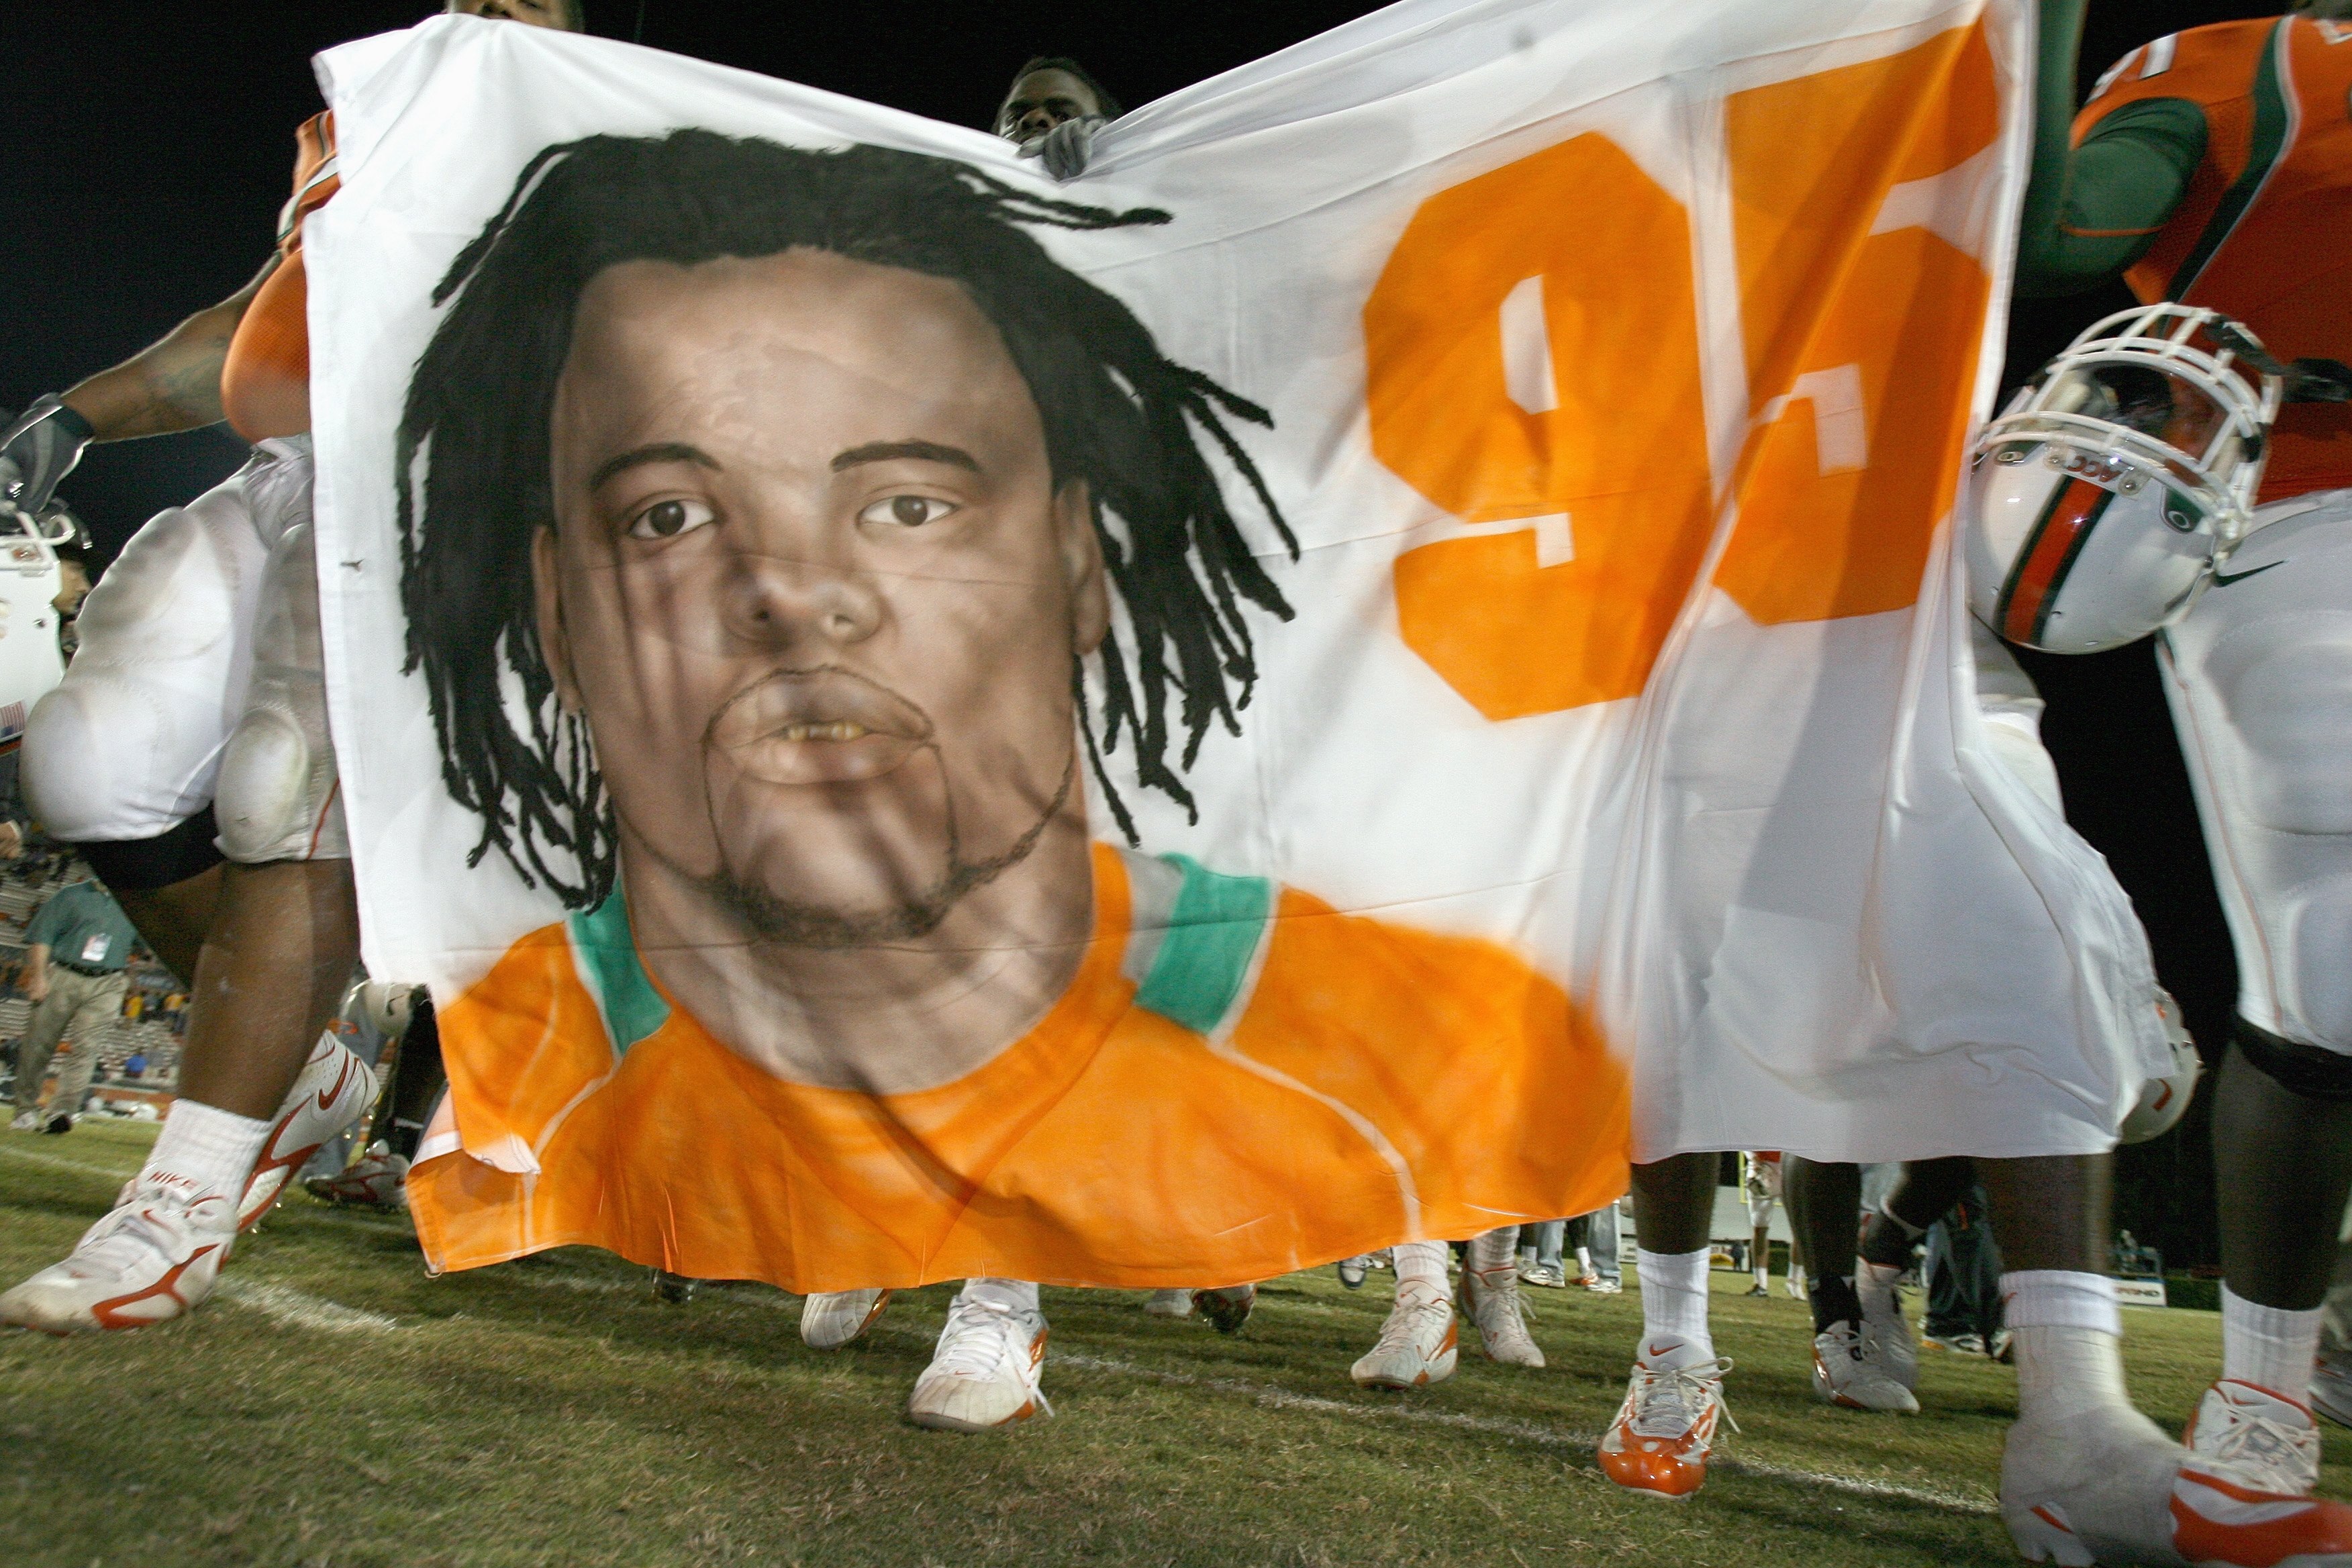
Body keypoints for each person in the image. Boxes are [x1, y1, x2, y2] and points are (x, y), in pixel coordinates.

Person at [394, 130, 1626, 1429]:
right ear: (554, 615)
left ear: (1076, 568)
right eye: (671, 516)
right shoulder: (538, 1034)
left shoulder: (1360, 1010)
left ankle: (1006, 1294)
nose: (801, 598)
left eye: (909, 504)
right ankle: (879, 1228)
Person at [0, 0, 587, 1336]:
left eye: (528, 1)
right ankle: (307, 1072)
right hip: (289, 465)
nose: (492, 15)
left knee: (285, 788)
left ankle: (182, 1205)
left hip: (449, 485)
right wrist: (75, 414)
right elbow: (264, 322)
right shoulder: (360, 117)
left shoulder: (600, 129)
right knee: (84, 758)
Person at [1943, 1, 2352, 1557]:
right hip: (2306, 509)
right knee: (2327, 970)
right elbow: (2059, 226)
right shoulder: (2236, 68)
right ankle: (2258, 1407)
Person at [6, 871, 137, 1134]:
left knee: (87, 1048)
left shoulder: (136, 901)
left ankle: (63, 1111)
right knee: (39, 1045)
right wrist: (40, 976)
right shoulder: (71, 895)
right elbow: (42, 937)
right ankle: (25, 1111)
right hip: (64, 974)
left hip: (108, 981)